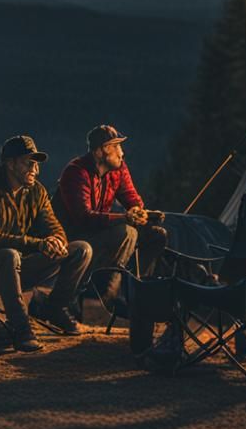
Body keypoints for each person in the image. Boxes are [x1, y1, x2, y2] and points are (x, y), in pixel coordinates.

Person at [0, 134, 91, 353]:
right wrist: (38, 244)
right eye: (29, 163)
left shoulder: (37, 192)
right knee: (8, 254)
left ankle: (55, 307)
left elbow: (54, 227)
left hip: (23, 264)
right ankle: (22, 329)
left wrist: (56, 241)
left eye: (37, 164)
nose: (36, 169)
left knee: (81, 249)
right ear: (10, 163)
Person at [53, 124, 167, 312]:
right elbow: (83, 218)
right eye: (117, 147)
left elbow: (132, 198)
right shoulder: (76, 172)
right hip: (73, 238)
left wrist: (139, 212)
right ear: (102, 151)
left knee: (157, 235)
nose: (122, 153)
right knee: (126, 232)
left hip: (99, 231)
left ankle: (130, 293)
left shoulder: (118, 169)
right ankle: (71, 298)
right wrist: (125, 218)